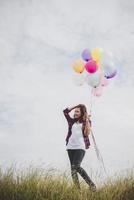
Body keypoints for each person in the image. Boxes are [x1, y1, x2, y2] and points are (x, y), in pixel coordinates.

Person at [63, 104, 96, 191]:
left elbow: (86, 133)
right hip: (70, 147)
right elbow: (65, 112)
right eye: (75, 111)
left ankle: (92, 185)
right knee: (73, 169)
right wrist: (76, 106)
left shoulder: (85, 122)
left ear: (82, 113)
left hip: (80, 147)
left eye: (77, 111)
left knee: (76, 166)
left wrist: (88, 120)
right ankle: (77, 190)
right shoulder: (71, 121)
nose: (75, 113)